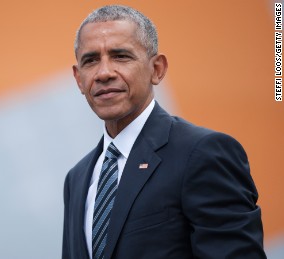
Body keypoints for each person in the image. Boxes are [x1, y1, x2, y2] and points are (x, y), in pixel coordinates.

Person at [62, 5, 266, 259]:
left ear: (157, 69)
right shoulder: (77, 178)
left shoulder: (203, 154)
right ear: (78, 78)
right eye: (91, 60)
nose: (104, 73)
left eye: (121, 56)